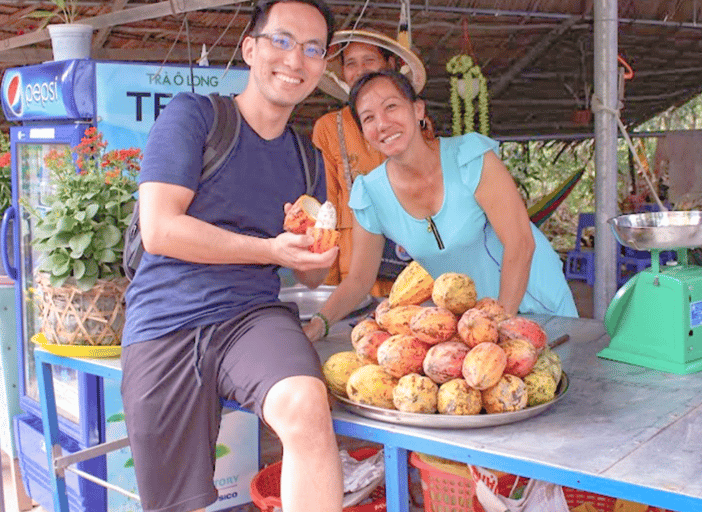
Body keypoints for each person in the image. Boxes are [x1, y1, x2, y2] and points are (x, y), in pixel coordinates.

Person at [120, 1, 343, 511]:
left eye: (313, 49)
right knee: (178, 503)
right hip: (166, 319)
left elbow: (312, 278)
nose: (295, 59)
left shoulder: (308, 162)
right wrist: (268, 248)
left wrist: (311, 250)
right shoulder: (195, 116)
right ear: (250, 48)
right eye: (282, 41)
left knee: (307, 407)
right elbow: (159, 230)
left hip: (251, 318)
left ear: (322, 66)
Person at [305, 70, 577, 340]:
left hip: (536, 302)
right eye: (369, 118)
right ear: (364, 133)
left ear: (418, 110)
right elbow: (359, 280)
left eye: (391, 107)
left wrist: (499, 326)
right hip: (473, 322)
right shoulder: (370, 195)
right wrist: (318, 324)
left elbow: (521, 244)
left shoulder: (469, 158)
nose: (383, 123)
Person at [311, 30, 427, 301]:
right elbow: (325, 204)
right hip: (352, 265)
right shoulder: (327, 128)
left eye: (369, 60)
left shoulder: (410, 118)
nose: (359, 70)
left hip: (412, 261)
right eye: (350, 63)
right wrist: (327, 280)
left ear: (390, 65)